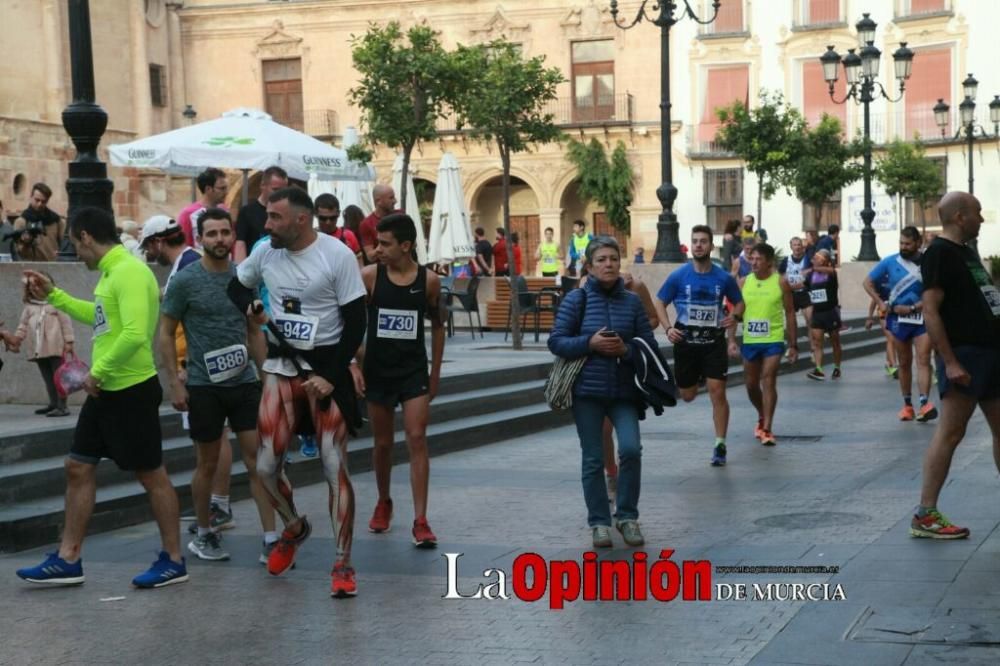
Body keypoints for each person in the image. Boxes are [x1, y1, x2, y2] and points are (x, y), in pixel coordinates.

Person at [16, 207, 188, 588]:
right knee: (78, 465)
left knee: (151, 473)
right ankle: (68, 558)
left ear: (86, 237)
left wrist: (97, 372)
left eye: (76, 246)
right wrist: (56, 296)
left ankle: (174, 560)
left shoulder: (127, 272)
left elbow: (133, 334)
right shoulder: (114, 273)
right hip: (108, 389)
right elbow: (100, 317)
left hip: (129, 390)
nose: (79, 254)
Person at [233, 186, 367, 597]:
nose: (267, 224)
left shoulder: (336, 255)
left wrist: (333, 375)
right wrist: (251, 307)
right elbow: (237, 287)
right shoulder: (266, 252)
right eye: (267, 216)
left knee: (332, 464)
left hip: (326, 368)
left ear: (300, 220)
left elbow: (357, 321)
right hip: (280, 366)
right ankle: (293, 527)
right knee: (265, 467)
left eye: (275, 217)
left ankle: (343, 564)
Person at [158, 208, 275, 562]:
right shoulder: (185, 281)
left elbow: (253, 331)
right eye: (212, 234)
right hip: (203, 386)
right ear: (200, 239)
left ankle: (271, 538)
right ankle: (205, 533)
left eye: (225, 232)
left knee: (260, 462)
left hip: (243, 384)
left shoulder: (244, 278)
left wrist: (266, 376)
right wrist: (175, 386)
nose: (220, 239)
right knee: (207, 465)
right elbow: (164, 333)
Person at [548, 236, 657, 549]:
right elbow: (556, 342)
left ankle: (627, 517)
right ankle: (599, 522)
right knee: (593, 459)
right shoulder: (576, 300)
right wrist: (589, 343)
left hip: (624, 392)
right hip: (588, 393)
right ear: (589, 266)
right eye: (601, 260)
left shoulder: (632, 301)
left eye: (613, 258)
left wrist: (627, 349)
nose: (608, 264)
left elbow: (648, 344)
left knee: (632, 449)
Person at [911, 192, 1000, 540]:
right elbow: (930, 309)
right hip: (965, 355)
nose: (981, 218)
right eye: (977, 212)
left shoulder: (967, 251)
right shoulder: (939, 253)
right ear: (961, 216)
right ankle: (925, 513)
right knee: (950, 432)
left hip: (989, 352)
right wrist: (949, 361)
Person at [355, 213, 445, 548]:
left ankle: (421, 519)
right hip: (378, 371)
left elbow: (438, 326)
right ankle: (384, 500)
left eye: (385, 243)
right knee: (382, 444)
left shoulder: (430, 281)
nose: (378, 249)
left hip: (413, 372)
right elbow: (348, 320)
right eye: (377, 242)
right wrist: (356, 358)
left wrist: (434, 373)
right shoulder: (369, 278)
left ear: (406, 246)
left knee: (417, 437)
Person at [656, 225, 744, 466]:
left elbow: (739, 303)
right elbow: (660, 302)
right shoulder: (678, 276)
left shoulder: (723, 277)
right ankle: (698, 378)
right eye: (694, 241)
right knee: (688, 395)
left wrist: (734, 317)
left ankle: (720, 444)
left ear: (710, 246)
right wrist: (668, 328)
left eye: (703, 241)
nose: (698, 245)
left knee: (718, 393)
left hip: (713, 343)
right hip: (686, 344)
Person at [863, 226, 937, 421]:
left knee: (923, 359)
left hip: (922, 317)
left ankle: (924, 403)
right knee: (904, 363)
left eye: (908, 244)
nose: (903, 247)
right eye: (901, 243)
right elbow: (867, 282)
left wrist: (915, 308)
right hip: (897, 319)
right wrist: (880, 303)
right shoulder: (889, 261)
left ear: (918, 243)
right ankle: (907, 405)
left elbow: (937, 290)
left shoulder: (929, 263)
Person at [739, 242, 798, 446]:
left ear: (769, 262)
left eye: (758, 259)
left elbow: (790, 312)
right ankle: (762, 414)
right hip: (750, 340)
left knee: (768, 378)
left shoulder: (780, 282)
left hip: (773, 339)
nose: (754, 262)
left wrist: (793, 344)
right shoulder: (743, 282)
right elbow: (735, 311)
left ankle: (767, 429)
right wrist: (730, 339)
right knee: (751, 385)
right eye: (752, 258)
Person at [5, 272, 75, 417]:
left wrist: (69, 341)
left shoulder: (57, 303)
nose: (34, 288)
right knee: (48, 378)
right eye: (30, 286)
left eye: (38, 285)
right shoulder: (29, 308)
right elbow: (22, 326)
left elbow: (66, 323)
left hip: (56, 347)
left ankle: (63, 406)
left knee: (59, 377)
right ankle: (53, 403)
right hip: (39, 349)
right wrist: (17, 339)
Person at [803, 249, 843, 381]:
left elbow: (832, 271)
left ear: (825, 259)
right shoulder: (811, 275)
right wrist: (787, 286)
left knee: (835, 341)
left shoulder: (831, 273)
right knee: (817, 342)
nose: (814, 259)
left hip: (830, 311)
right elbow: (803, 285)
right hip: (817, 312)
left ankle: (837, 367)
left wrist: (816, 268)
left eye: (817, 257)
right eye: (814, 257)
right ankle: (819, 369)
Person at [235, 166, 288, 262]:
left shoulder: (287, 212)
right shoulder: (247, 211)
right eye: (276, 190)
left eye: (284, 191)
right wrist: (240, 270)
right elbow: (240, 244)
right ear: (263, 185)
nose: (281, 195)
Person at [12, 183, 65, 262]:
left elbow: (64, 245)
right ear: (31, 197)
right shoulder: (21, 222)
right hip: (31, 266)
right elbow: (18, 251)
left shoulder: (56, 221)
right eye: (37, 200)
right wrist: (25, 242)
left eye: (43, 201)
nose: (39, 204)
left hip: (53, 265)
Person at [178, 168, 230, 248]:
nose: (226, 192)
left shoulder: (225, 211)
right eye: (222, 188)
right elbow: (183, 246)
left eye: (226, 188)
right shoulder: (188, 214)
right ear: (208, 189)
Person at [779, 237, 813, 347]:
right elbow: (780, 276)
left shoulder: (808, 260)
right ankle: (792, 346)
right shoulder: (785, 261)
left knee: (810, 320)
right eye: (795, 245)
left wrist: (793, 286)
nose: (797, 247)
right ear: (791, 246)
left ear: (802, 246)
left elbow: (809, 279)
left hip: (804, 292)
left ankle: (813, 347)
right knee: (791, 322)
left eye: (799, 245)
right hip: (790, 294)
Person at [315, 193, 362, 266]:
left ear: (339, 213)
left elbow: (360, 263)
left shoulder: (348, 236)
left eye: (332, 218)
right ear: (315, 214)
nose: (328, 222)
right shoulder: (310, 237)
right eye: (323, 218)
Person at [359, 184, 398, 261]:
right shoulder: (366, 224)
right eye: (391, 198)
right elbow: (370, 257)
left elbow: (413, 244)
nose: (395, 201)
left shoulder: (401, 215)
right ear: (378, 201)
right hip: (383, 269)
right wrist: (385, 241)